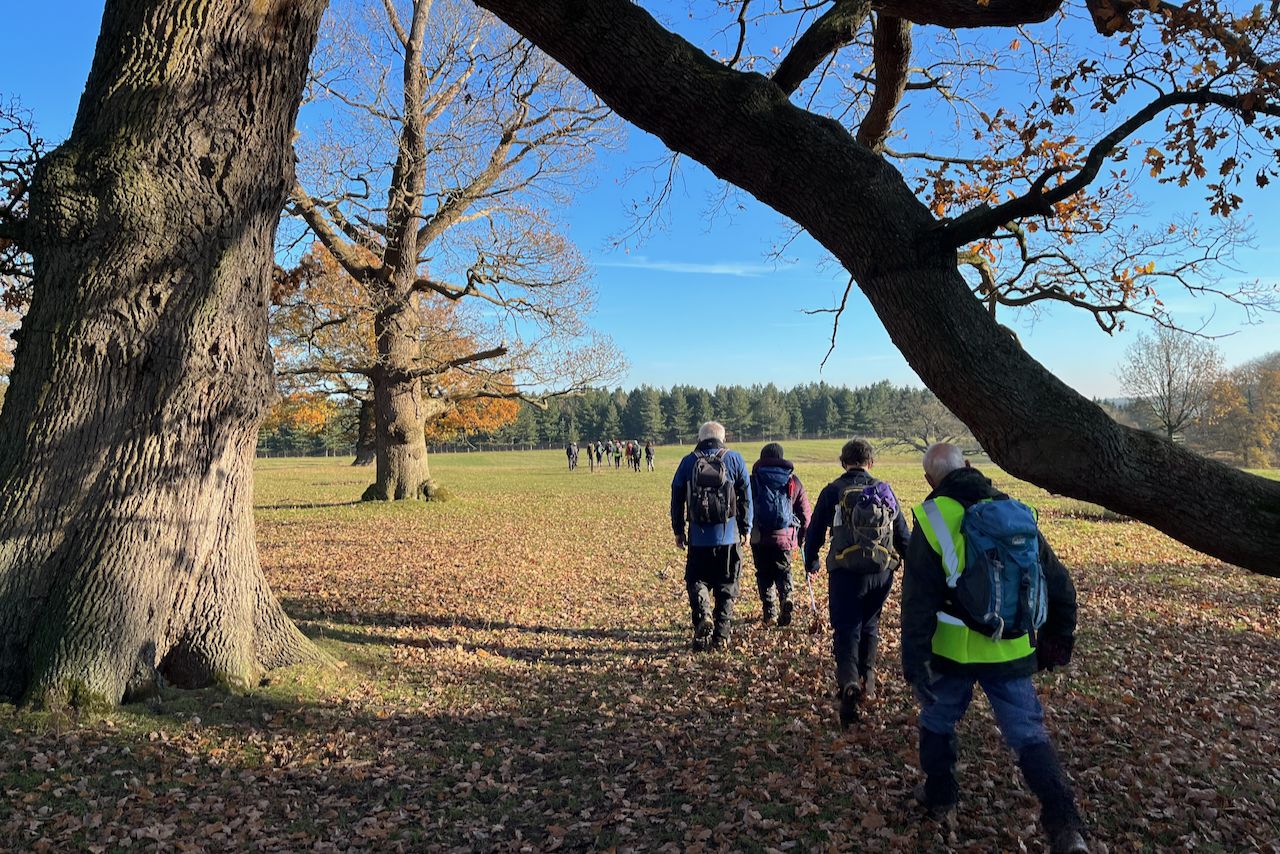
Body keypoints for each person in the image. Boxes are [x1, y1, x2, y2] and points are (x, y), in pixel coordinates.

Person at [901, 443, 1086, 854]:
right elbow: (1057, 581)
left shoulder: (932, 519)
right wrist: (1060, 637)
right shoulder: (1015, 511)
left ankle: (941, 798)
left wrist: (914, 661)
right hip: (1011, 648)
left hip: (952, 653)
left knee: (937, 722)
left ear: (931, 481)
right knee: (1028, 734)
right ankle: (1066, 825)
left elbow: (917, 602)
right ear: (968, 466)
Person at [804, 438, 909, 727]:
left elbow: (814, 534)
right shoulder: (885, 492)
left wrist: (811, 561)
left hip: (845, 571)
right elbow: (903, 535)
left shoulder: (833, 491)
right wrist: (911, 565)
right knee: (870, 624)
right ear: (871, 463)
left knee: (847, 626)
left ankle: (849, 682)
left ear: (843, 462)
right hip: (881, 572)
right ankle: (869, 678)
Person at [670, 421, 752, 651]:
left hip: (698, 537)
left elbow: (677, 496)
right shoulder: (734, 459)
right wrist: (746, 528)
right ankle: (721, 637)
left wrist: (679, 530)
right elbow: (746, 496)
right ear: (722, 438)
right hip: (729, 537)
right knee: (727, 586)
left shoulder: (688, 461)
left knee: (696, 580)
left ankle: (702, 620)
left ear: (700, 437)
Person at [749, 443, 810, 627]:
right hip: (785, 536)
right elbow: (805, 514)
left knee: (764, 574)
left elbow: (745, 508)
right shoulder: (793, 481)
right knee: (784, 570)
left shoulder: (754, 480)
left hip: (759, 537)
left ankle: (770, 613)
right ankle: (787, 597)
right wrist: (802, 537)